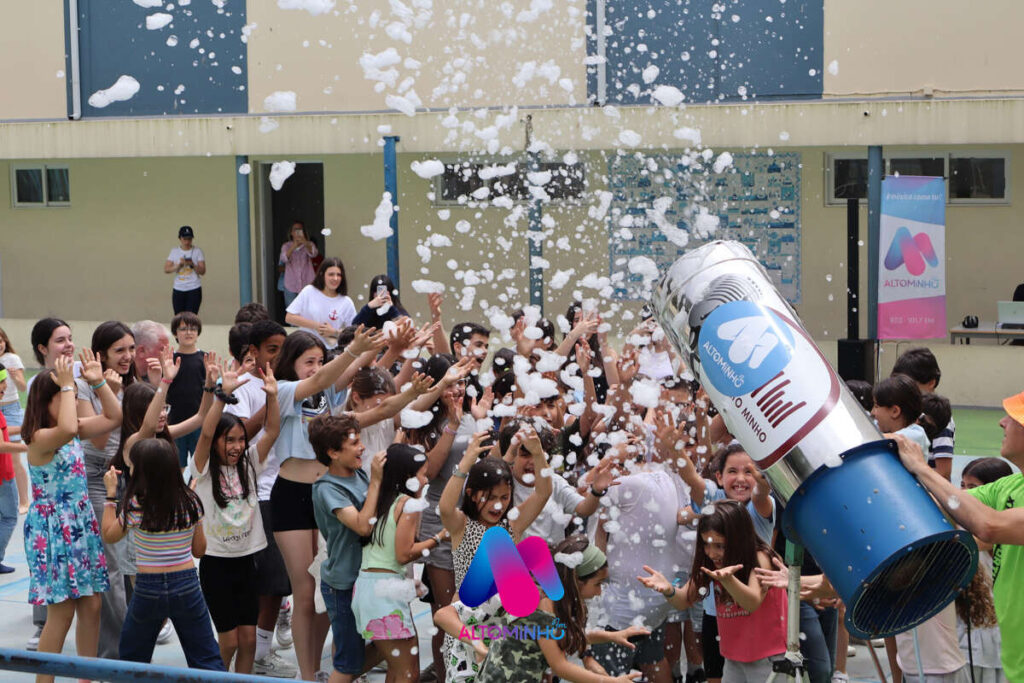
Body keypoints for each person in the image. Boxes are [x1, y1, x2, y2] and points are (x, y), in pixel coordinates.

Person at [271, 326, 384, 681]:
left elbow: (346, 373)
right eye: (308, 361)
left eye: (320, 360)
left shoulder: (328, 394)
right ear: (291, 363)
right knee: (304, 592)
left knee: (325, 589)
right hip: (291, 497)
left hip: (327, 493)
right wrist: (353, 350)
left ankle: (325, 668)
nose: (316, 367)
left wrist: (379, 347)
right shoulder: (285, 391)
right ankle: (307, 674)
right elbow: (321, 378)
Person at [892, 387, 1024, 682]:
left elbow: (988, 524)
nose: (1002, 422)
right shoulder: (1010, 487)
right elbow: (941, 504)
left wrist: (919, 467)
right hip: (1015, 659)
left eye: (1013, 418)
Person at [22, 351, 121, 683]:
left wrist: (97, 382)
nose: (73, 400)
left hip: (80, 525)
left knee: (92, 607)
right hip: (53, 530)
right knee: (61, 614)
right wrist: (67, 384)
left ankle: (86, 678)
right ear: (47, 401)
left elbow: (114, 416)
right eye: (67, 396)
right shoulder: (40, 439)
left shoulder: (71, 430)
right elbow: (65, 426)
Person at [438, 428, 553, 682]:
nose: (498, 505)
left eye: (504, 497)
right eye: (489, 498)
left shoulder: (511, 526)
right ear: (471, 494)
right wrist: (464, 464)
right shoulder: (463, 525)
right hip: (464, 627)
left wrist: (537, 454)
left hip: (503, 630)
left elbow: (543, 493)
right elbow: (445, 507)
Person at [100, 439, 223, 670]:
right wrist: (195, 515)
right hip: (186, 582)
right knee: (206, 657)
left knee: (132, 657)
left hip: (148, 586)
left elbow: (109, 535)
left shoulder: (136, 505)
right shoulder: (190, 501)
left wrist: (110, 496)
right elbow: (199, 550)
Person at [191, 364, 280, 674]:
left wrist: (272, 397)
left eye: (241, 440)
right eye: (229, 440)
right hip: (216, 564)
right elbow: (204, 431)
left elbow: (272, 431)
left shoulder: (250, 463)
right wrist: (222, 396)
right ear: (217, 442)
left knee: (249, 640)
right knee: (228, 641)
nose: (237, 446)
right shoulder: (202, 470)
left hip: (246, 561)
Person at [639, 500, 787, 683]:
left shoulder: (760, 557)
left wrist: (728, 580)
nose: (711, 552)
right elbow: (684, 600)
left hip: (769, 658)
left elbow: (752, 602)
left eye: (720, 546)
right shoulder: (712, 562)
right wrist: (669, 590)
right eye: (706, 544)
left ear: (738, 538)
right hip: (734, 658)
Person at [220, 320, 296, 677]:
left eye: (283, 349)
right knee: (269, 580)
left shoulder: (287, 383)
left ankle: (262, 649)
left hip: (290, 488)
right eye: (271, 349)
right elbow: (236, 440)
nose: (278, 356)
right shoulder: (247, 387)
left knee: (283, 583)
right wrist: (273, 399)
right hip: (259, 494)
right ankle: (256, 653)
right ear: (253, 353)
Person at [474, 536, 642, 683]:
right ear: (576, 581)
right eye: (597, 584)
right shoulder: (543, 606)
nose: (600, 592)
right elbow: (560, 666)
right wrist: (609, 682)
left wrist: (612, 636)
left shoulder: (557, 598)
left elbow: (565, 635)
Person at [353, 443, 446, 682]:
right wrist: (439, 538)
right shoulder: (408, 505)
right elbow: (403, 555)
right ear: (407, 477)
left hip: (366, 589)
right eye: (422, 474)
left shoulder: (381, 499)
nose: (426, 481)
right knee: (408, 672)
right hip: (386, 594)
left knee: (395, 667)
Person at [75, 320, 136, 660]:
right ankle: (115, 656)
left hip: (128, 476)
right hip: (97, 478)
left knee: (131, 564)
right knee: (111, 566)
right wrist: (103, 388)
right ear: (101, 354)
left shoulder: (133, 383)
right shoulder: (86, 386)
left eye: (131, 348)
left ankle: (131, 639)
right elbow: (97, 439)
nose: (127, 356)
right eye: (119, 350)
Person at [309, 414, 385, 683]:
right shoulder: (327, 489)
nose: (362, 447)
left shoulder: (358, 473)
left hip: (367, 578)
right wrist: (376, 481)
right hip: (343, 585)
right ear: (332, 452)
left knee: (390, 645)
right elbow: (363, 526)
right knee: (348, 663)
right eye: (354, 442)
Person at [892, 348, 954, 480]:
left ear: (931, 382)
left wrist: (911, 480)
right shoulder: (905, 410)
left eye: (910, 384)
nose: (902, 389)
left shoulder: (938, 418)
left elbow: (944, 472)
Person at [285, 257, 357, 349]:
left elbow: (354, 333)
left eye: (339, 275)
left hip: (331, 351)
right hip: (305, 348)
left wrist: (334, 332)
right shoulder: (309, 291)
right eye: (331, 274)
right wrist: (318, 326)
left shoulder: (346, 302)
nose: (335, 278)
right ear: (322, 275)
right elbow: (289, 317)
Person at [168, 311, 207, 468]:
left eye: (193, 329)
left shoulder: (205, 358)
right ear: (175, 333)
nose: (188, 332)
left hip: (199, 420)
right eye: (183, 329)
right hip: (175, 422)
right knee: (177, 465)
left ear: (198, 333)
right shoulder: (169, 359)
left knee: (200, 465)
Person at [0, 362, 29, 575]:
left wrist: (23, 428)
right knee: (9, 517)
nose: (4, 386)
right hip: (3, 475)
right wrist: (31, 445)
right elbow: (1, 444)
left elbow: (3, 429)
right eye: (1, 382)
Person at [0, 326, 29, 514]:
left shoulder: (11, 359)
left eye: (1, 341)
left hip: (10, 409)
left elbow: (22, 387)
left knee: (14, 460)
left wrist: (15, 376)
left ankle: (24, 501)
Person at [165, 225, 206, 314]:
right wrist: (178, 265)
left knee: (192, 316)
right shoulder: (174, 251)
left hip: (194, 288)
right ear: (180, 238)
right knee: (179, 316)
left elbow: (203, 271)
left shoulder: (197, 251)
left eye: (189, 239)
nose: (187, 242)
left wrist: (192, 264)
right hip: (178, 288)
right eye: (185, 239)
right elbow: (166, 269)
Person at [280, 221, 320, 308]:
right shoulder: (286, 246)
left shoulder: (309, 244)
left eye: (300, 229)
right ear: (291, 232)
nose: (298, 231)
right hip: (291, 284)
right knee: (292, 310)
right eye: (295, 230)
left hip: (307, 282)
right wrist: (294, 246)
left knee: (308, 310)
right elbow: (284, 259)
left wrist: (305, 242)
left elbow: (314, 253)